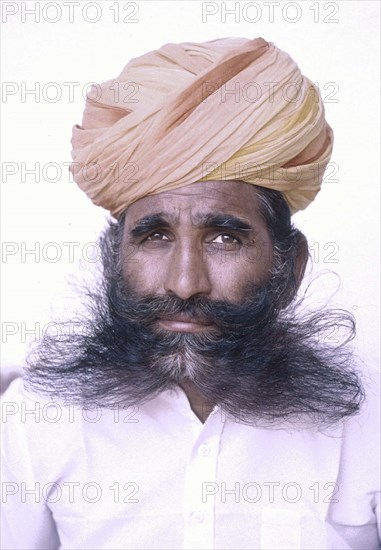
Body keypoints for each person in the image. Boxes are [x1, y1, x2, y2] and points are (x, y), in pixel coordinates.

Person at [1, 37, 379, 550]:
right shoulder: (36, 418)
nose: (185, 282)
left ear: (290, 267)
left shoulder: (369, 417)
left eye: (225, 238)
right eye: (154, 236)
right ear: (114, 259)